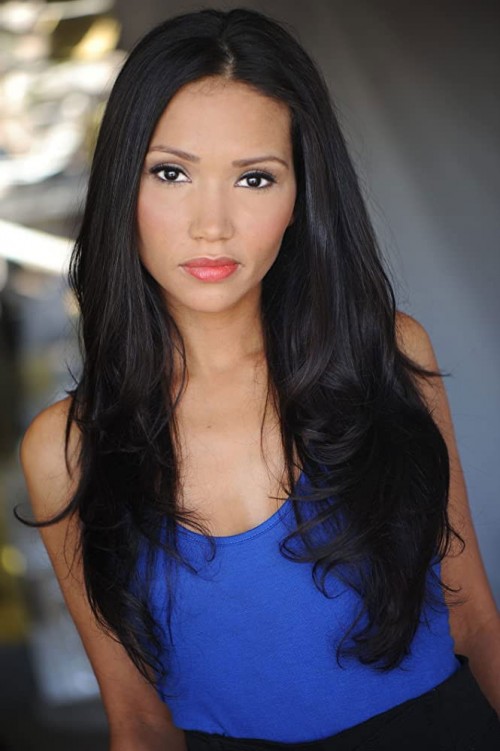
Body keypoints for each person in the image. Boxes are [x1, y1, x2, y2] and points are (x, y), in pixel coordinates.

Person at [17, 8, 500, 751]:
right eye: (171, 172)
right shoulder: (66, 450)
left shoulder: (386, 353)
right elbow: (139, 723)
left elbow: (474, 622)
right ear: (121, 185)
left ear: (300, 196)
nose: (212, 224)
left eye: (254, 177)